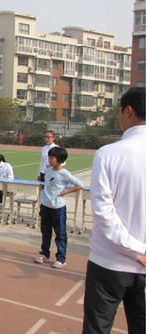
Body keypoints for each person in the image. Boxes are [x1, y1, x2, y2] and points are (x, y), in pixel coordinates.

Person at [83, 87, 146, 334]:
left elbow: (103, 212)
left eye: (120, 111)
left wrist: (135, 250)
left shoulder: (108, 154)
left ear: (128, 111)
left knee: (97, 328)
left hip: (109, 263)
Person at [33, 146, 83, 269]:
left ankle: (61, 258)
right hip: (45, 205)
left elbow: (80, 185)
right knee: (45, 231)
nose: (49, 159)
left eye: (52, 157)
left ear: (59, 159)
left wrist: (65, 192)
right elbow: (44, 183)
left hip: (57, 207)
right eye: (49, 157)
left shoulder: (64, 174)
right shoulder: (48, 170)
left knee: (60, 233)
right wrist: (42, 191)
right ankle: (44, 253)